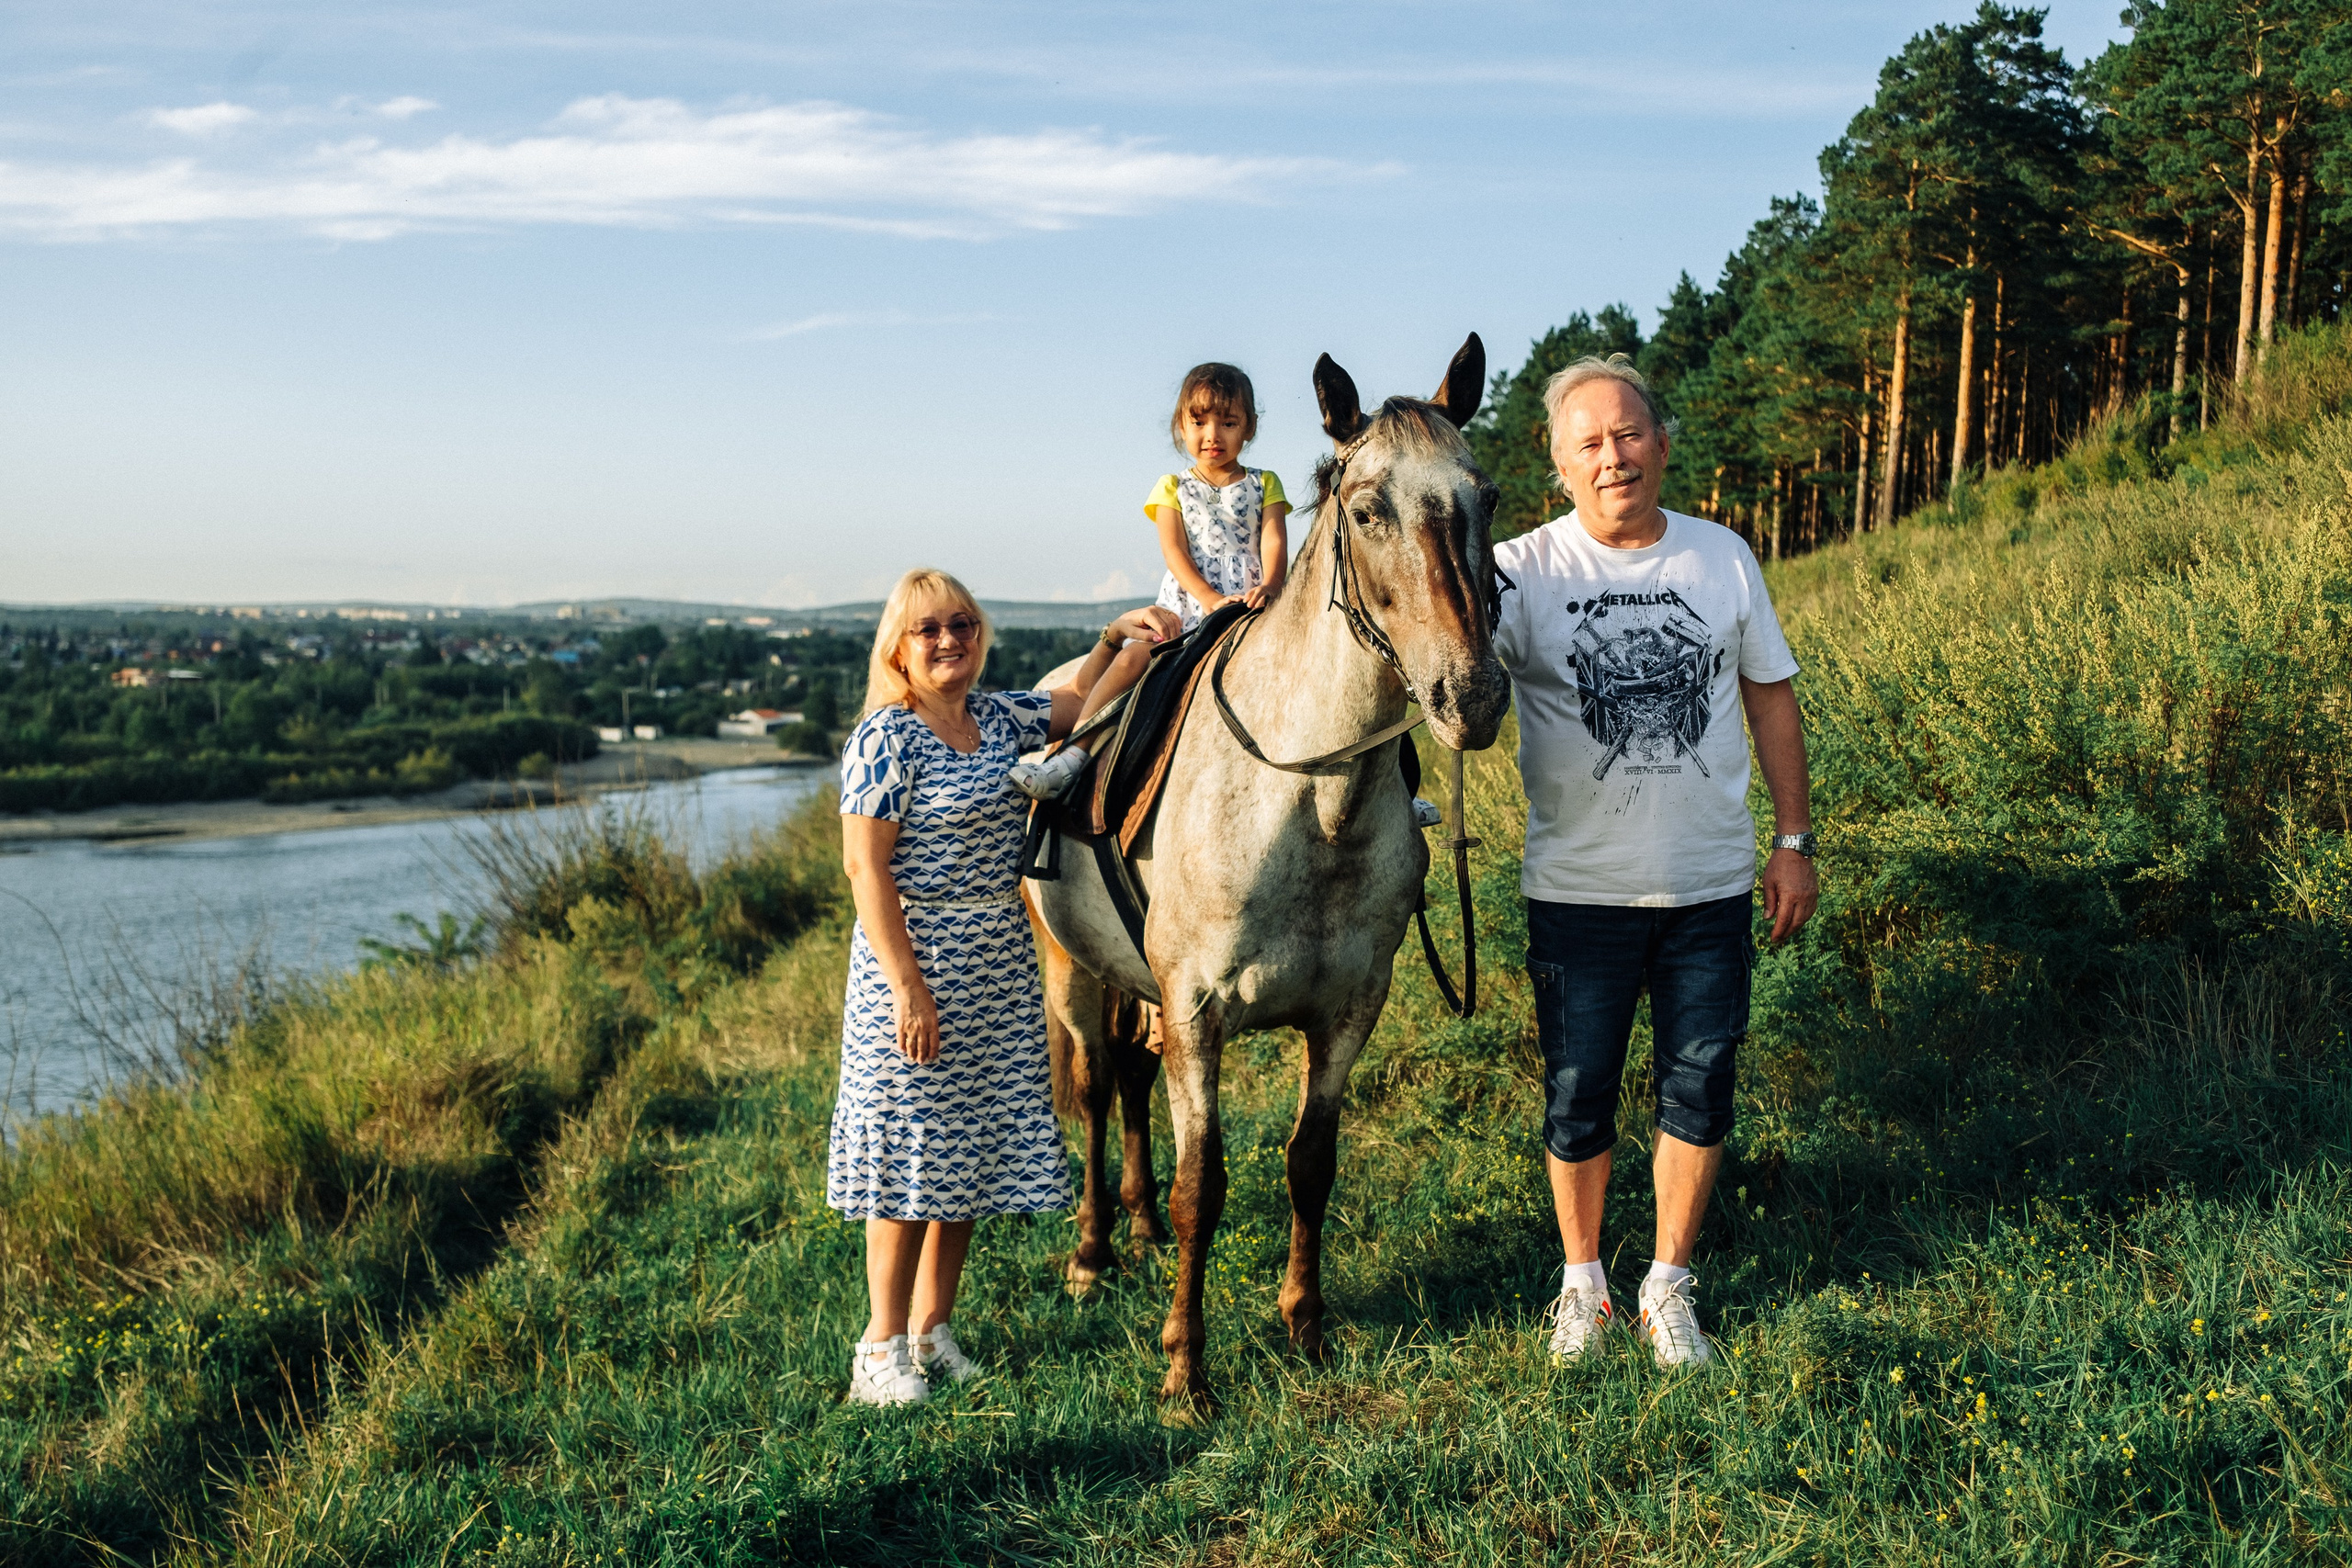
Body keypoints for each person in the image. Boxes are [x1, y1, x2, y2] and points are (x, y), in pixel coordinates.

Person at [1490, 354, 1819, 1370]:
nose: (1612, 456)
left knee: (1699, 1083)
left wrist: (1793, 843)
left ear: (1663, 446)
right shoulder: (1515, 572)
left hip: (1709, 883)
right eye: (1588, 442)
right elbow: (1436, 663)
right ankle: (1581, 1287)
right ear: (1559, 467)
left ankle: (1667, 1288)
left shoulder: (1722, 558)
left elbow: (1769, 696)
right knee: (1577, 1088)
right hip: (1578, 888)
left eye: (1628, 434)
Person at [830, 568, 1182, 1405]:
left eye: (962, 623)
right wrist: (908, 986)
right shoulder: (886, 738)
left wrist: (1110, 640)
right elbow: (863, 866)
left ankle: (932, 1332)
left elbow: (1087, 702)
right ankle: (878, 1350)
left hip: (995, 954)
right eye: (929, 630)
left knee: (965, 1154)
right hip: (912, 959)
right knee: (910, 1158)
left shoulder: (1000, 717)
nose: (949, 639)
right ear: (899, 648)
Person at [1007, 362, 1289, 801]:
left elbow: (1273, 542)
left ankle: (1390, 787)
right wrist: (1210, 599)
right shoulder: (1173, 487)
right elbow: (1175, 551)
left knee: (1323, 663)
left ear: (1248, 428)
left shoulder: (1264, 483)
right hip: (1190, 606)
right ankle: (1071, 757)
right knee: (1132, 659)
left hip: (1252, 606)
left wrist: (1270, 586)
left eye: (1228, 422)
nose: (1212, 434)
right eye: (1199, 422)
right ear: (1181, 425)